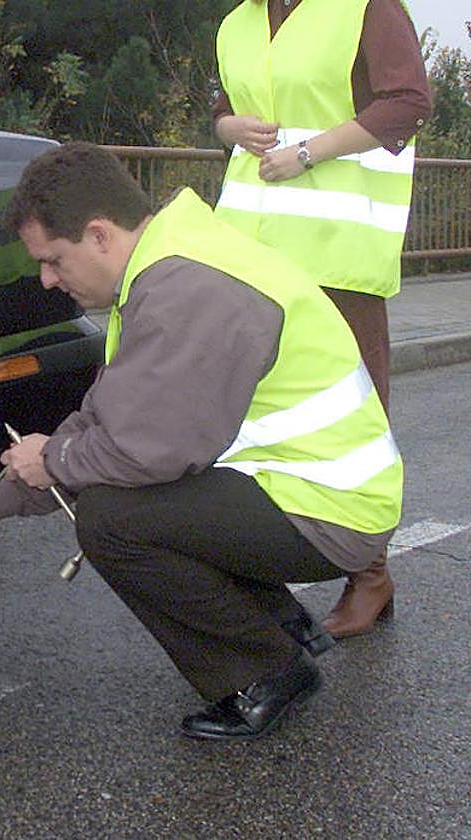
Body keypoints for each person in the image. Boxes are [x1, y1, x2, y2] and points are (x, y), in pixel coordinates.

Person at [0, 142, 402, 741]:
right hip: (307, 487)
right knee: (133, 499)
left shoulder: (185, 290)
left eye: (53, 260)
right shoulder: (168, 259)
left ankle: (265, 672)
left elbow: (144, 453)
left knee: (113, 519)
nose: (46, 279)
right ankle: (281, 626)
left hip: (331, 510)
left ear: (98, 236)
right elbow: (108, 418)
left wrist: (53, 460)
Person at [213, 0, 431, 638]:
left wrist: (309, 153)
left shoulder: (365, 7)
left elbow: (408, 102)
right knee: (255, 412)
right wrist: (231, 130)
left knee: (354, 411)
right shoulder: (237, 22)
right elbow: (221, 107)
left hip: (338, 253)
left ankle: (371, 574)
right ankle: (262, 566)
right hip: (252, 251)